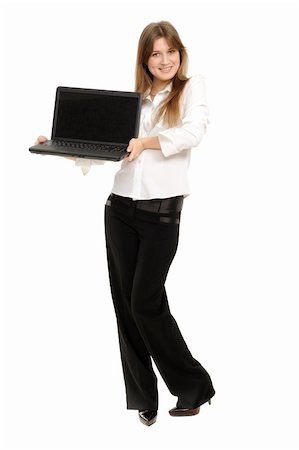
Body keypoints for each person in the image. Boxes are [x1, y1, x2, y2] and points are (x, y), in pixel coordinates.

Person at [35, 20, 216, 427]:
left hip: (160, 215)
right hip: (119, 211)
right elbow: (108, 153)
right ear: (145, 59)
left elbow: (193, 132)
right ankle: (143, 397)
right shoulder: (135, 99)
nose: (164, 59)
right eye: (156, 53)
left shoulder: (190, 89)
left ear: (180, 54)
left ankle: (194, 386)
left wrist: (147, 142)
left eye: (170, 51)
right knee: (126, 305)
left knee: (145, 302)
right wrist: (59, 147)